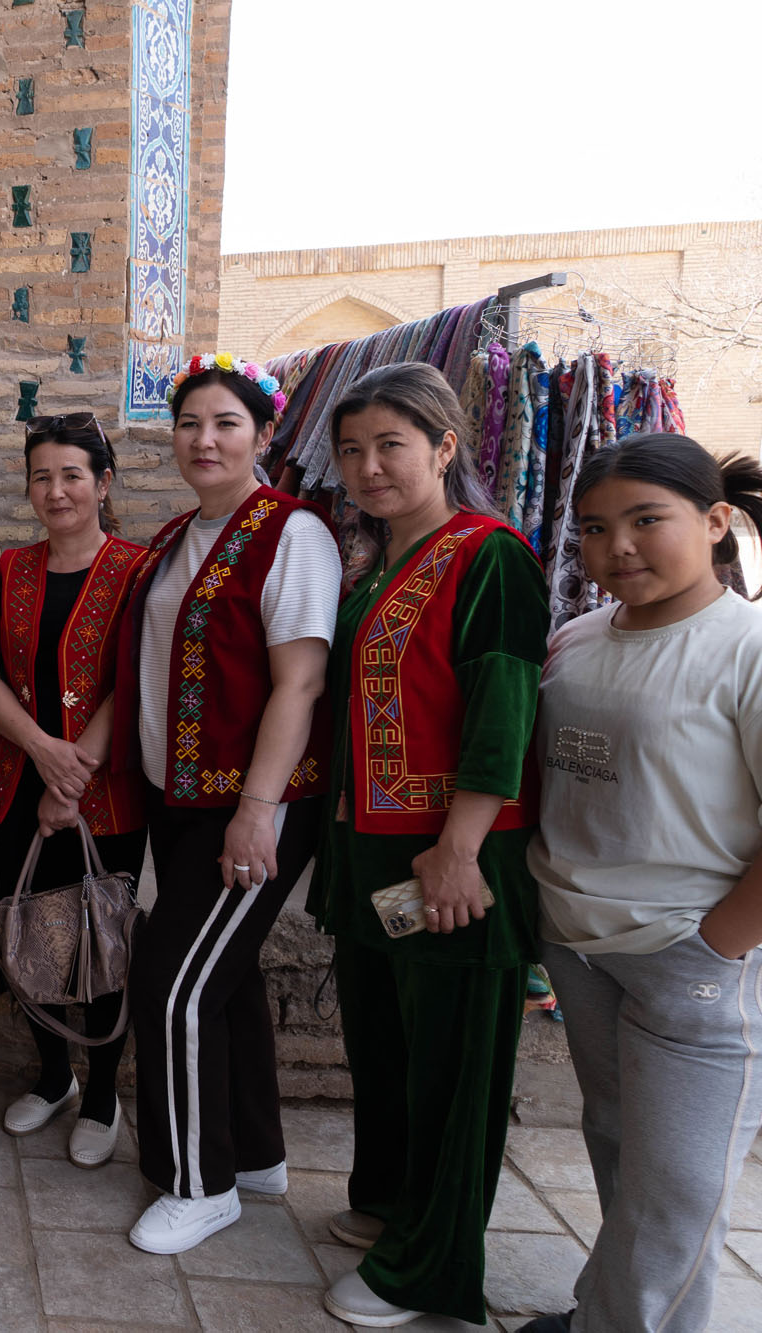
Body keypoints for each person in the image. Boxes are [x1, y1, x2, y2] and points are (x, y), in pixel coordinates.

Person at [306, 364, 547, 1329]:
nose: (368, 467)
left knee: (451, 1068)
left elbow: (503, 712)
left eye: (390, 445)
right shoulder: (378, 567)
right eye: (351, 449)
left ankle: (429, 1268)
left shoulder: (490, 557)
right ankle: (393, 1208)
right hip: (374, 856)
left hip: (453, 861)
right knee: (387, 1049)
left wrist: (458, 850)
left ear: (445, 446)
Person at [519, 433, 762, 1333]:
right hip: (580, 948)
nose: (617, 546)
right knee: (621, 1149)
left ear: (716, 521)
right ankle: (602, 1314)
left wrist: (714, 947)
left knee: (677, 1193)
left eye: (646, 520)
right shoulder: (578, 638)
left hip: (690, 958)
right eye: (594, 528)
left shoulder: (746, 648)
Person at [111, 354, 341, 1254]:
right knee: (225, 977)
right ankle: (253, 1153)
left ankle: (197, 1183)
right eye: (188, 424)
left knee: (170, 983)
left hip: (251, 802)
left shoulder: (293, 534)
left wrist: (257, 809)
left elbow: (300, 682)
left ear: (265, 433)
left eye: (226, 423)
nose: (203, 440)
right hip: (179, 799)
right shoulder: (180, 534)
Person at [0, 413, 150, 1166]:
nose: (56, 490)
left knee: (100, 939)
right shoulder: (13, 567)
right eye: (41, 476)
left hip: (102, 797)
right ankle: (52, 1075)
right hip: (16, 782)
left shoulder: (137, 570)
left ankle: (102, 1091)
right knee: (26, 930)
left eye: (72, 474)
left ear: (103, 483)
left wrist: (70, 779)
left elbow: (129, 679)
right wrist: (42, 750)